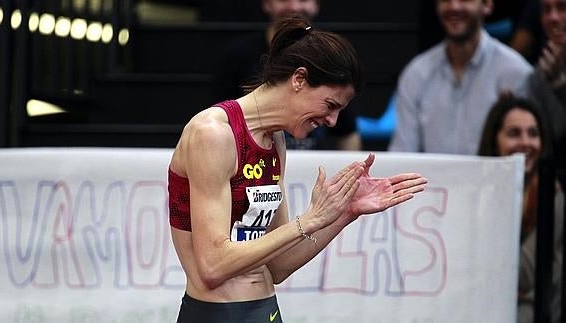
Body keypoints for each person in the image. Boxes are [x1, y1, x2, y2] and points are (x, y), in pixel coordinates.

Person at [168, 18, 428, 322]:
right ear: (299, 79)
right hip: (216, 313)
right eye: (330, 105)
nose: (332, 121)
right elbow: (212, 267)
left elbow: (279, 266)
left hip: (265, 310)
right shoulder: (213, 134)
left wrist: (342, 213)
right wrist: (309, 219)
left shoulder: (275, 139)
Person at [212, 0, 362, 150]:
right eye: (284, 0)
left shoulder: (277, 137)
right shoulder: (213, 128)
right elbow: (218, 121)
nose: (294, 7)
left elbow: (348, 133)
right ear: (298, 79)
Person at [389, 0, 532, 155]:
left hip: (493, 179)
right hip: (432, 179)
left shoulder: (516, 72)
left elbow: (525, 158)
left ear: (487, 5)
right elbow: (402, 153)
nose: (454, 6)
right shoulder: (416, 74)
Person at [477, 95, 563, 323]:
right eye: (514, 133)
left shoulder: (553, 197)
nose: (526, 142)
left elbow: (523, 272)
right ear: (494, 140)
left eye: (533, 134)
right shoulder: (475, 195)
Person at [527, 0, 566, 167]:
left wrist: (560, 87)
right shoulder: (538, 76)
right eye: (546, 10)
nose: (553, 18)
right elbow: (545, 152)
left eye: (562, 7)